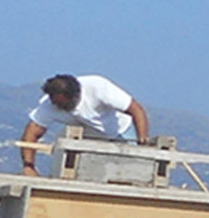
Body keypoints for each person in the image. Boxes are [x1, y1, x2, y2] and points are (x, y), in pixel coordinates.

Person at [21, 74, 150, 174]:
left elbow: (136, 110)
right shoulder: (49, 105)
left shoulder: (98, 87)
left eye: (62, 104)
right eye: (55, 103)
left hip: (121, 131)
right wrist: (28, 166)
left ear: (73, 96)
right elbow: (32, 133)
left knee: (136, 170)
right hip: (89, 138)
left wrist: (142, 140)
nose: (57, 106)